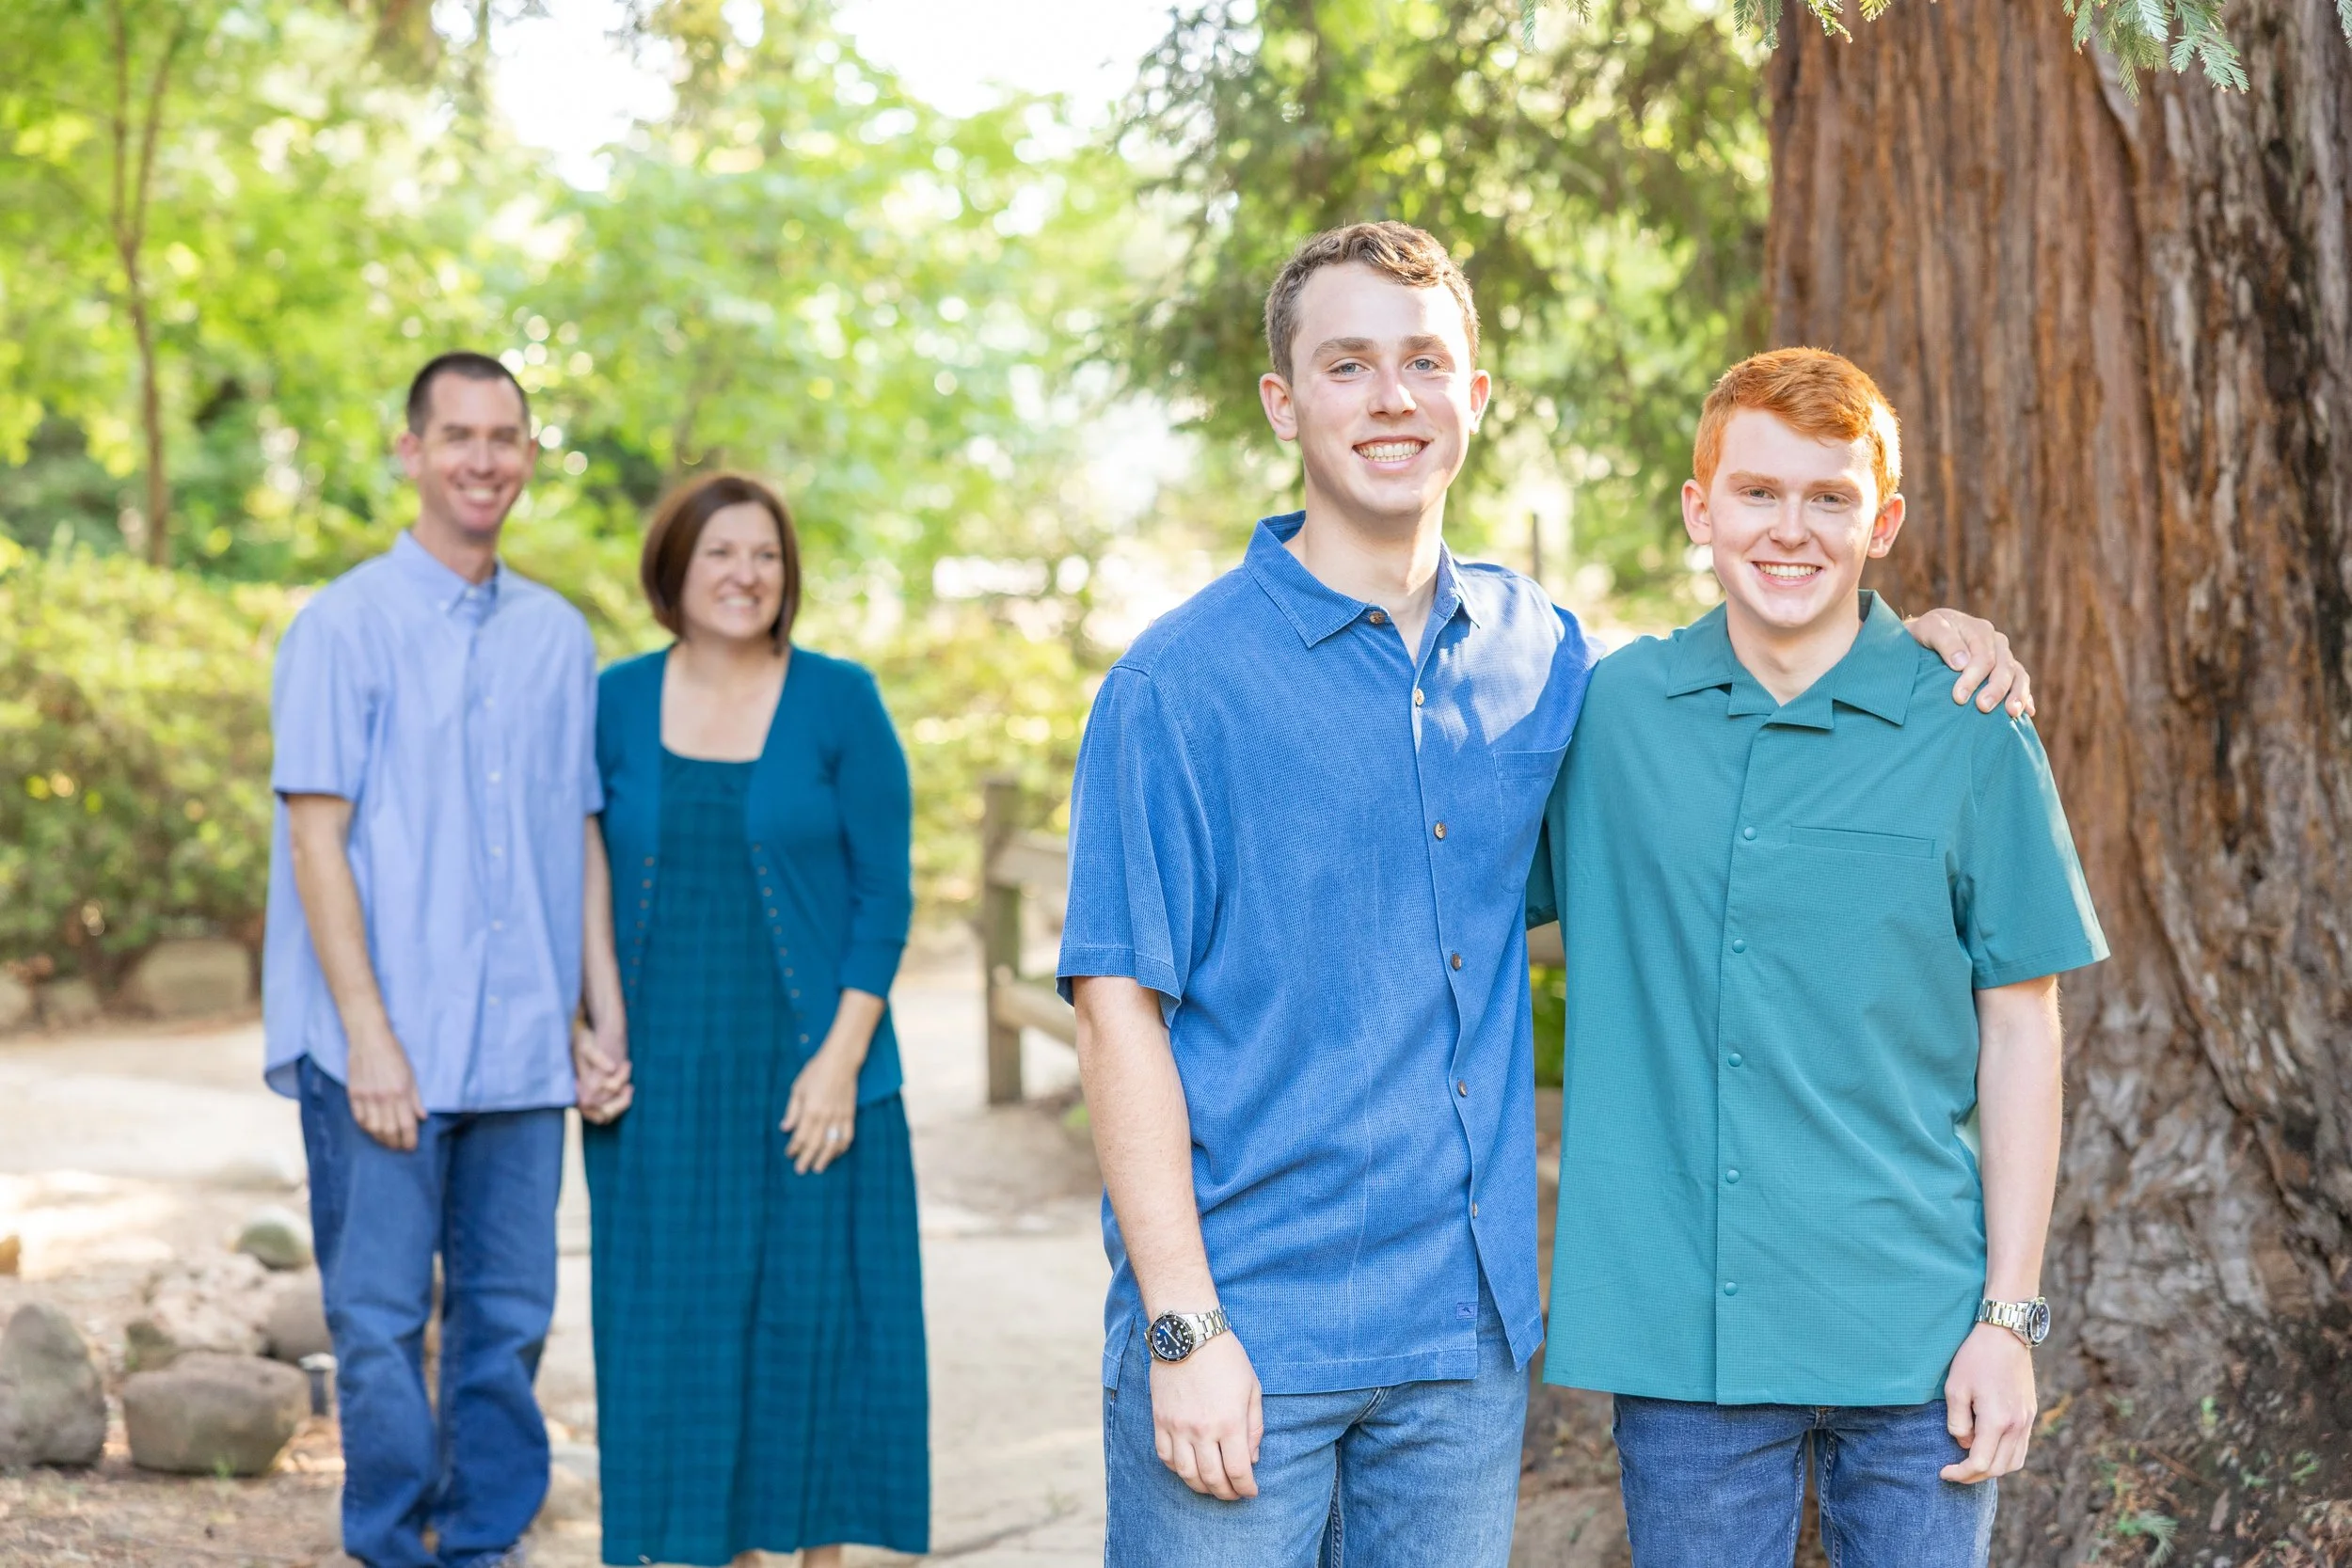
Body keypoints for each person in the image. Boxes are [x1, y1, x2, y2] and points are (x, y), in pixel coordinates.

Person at [1055, 223, 2033, 1564]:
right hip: (1248, 1328)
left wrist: (1917, 642)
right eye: (1347, 365)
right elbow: (1118, 1013)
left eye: (1423, 361)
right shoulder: (1174, 688)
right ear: (1285, 402)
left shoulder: (1548, 660)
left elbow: (1746, 698)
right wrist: (1183, 1323)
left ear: (1475, 396)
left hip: (1464, 1343)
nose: (1391, 397)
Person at [1529, 348, 2107, 1567]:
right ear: (1700, 509)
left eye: (1830, 497)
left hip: (1916, 1331)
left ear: (1881, 521)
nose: (1790, 528)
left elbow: (2022, 1030)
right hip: (1685, 1335)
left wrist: (2009, 1316)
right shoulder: (1610, 713)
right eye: (1755, 492)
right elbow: (1447, 890)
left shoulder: (1969, 729)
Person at [264, 351, 601, 1568]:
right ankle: (393, 1541)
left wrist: (590, 1017)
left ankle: (484, 1539)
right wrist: (368, 1035)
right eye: (457, 434)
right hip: (378, 1049)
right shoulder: (341, 627)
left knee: (508, 1323)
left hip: (517, 1053)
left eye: (504, 436)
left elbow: (576, 836)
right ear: (411, 450)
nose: (483, 458)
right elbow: (316, 838)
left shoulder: (561, 637)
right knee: (377, 1321)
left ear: (525, 454)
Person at [576, 471, 926, 1568]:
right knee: (674, 1349)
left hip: (809, 1080)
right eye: (721, 552)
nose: (745, 573)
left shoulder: (839, 698)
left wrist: (838, 1060)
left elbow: (885, 894)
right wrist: (592, 1028)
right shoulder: (614, 700)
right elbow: (579, 864)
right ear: (673, 569)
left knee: (810, 1348)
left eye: (765, 554)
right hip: (661, 1090)